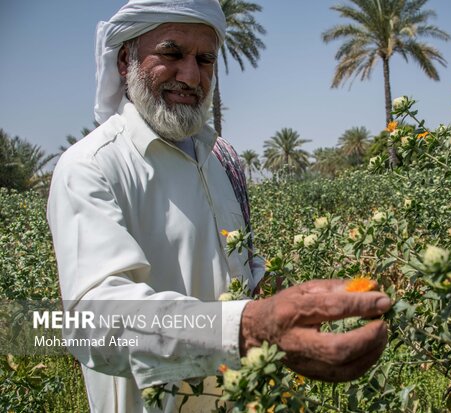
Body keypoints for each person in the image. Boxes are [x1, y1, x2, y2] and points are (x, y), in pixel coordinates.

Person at [47, 0, 390, 411]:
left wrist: (292, 300)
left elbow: (236, 262)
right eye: (171, 53)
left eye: (205, 59)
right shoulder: (91, 166)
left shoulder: (220, 159)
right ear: (126, 60)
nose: (191, 75)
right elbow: (94, 322)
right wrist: (249, 329)